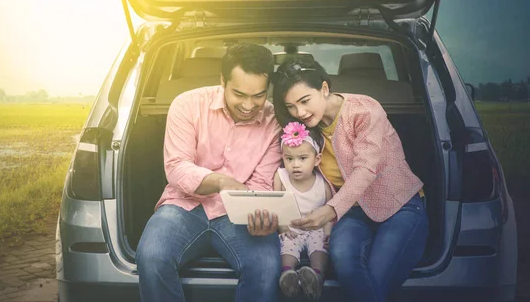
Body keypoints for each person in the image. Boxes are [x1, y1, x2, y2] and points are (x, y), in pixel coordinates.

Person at [272, 57, 429, 302]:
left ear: (324, 88)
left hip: (400, 205)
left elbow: (366, 168)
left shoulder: (364, 110)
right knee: (344, 261)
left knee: (375, 277)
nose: (299, 113)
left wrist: (329, 210)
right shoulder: (300, 129)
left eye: (304, 101)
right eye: (291, 106)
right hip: (353, 212)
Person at [136, 43, 283, 302]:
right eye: (239, 94)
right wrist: (220, 182)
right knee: (152, 255)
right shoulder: (187, 104)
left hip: (240, 214)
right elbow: (177, 166)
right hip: (184, 206)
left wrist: (261, 214)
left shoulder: (274, 121)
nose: (249, 105)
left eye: (258, 95)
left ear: (268, 87)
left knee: (267, 266)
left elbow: (262, 182)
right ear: (222, 81)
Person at [274, 121, 333, 300]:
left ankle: (315, 276)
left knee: (319, 248)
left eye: (302, 158)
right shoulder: (281, 176)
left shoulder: (323, 182)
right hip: (291, 228)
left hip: (316, 228)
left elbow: (330, 210)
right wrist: (282, 227)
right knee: (287, 246)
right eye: (289, 158)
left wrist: (328, 233)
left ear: (317, 160)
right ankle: (287, 275)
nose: (295, 165)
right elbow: (276, 204)